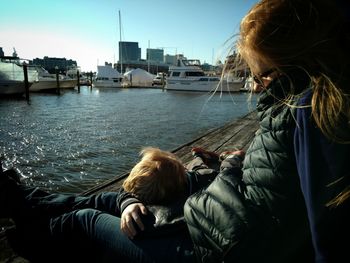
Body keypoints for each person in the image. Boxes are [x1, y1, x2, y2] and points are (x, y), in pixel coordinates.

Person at [2, 0, 350, 262]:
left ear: (296, 61)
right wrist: (233, 163)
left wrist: (226, 172)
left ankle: (22, 240)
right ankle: (25, 200)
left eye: (262, 75)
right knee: (116, 199)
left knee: (85, 220)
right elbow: (276, 185)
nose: (257, 87)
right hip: (218, 227)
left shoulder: (311, 113)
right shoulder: (294, 107)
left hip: (207, 249)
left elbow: (274, 233)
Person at [0, 146, 244, 262]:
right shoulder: (192, 176)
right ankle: (21, 196)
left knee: (91, 210)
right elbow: (200, 166)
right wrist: (128, 201)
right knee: (105, 199)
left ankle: (23, 221)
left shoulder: (201, 194)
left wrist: (230, 159)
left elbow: (223, 171)